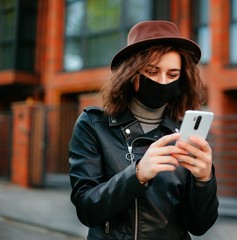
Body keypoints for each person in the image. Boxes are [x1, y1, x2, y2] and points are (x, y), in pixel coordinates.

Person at [69, 20, 219, 240]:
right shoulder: (93, 125)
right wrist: (137, 175)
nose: (162, 81)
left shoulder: (183, 133)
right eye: (152, 71)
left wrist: (204, 180)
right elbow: (87, 209)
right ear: (131, 74)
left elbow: (199, 225)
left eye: (172, 74)